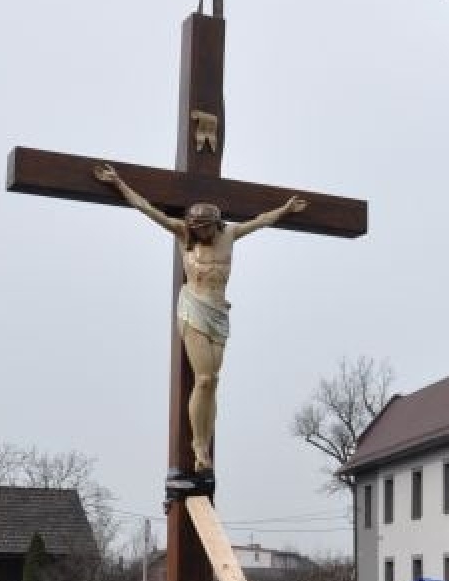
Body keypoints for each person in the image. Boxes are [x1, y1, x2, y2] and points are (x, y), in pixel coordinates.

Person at [94, 162, 307, 493]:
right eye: (193, 227)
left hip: (219, 313)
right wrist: (118, 183)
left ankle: (204, 448)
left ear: (212, 225)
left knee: (213, 382)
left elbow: (262, 221)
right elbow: (146, 208)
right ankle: (198, 449)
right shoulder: (184, 235)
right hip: (193, 307)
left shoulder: (230, 235)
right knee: (204, 379)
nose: (197, 232)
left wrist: (287, 208)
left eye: (201, 228)